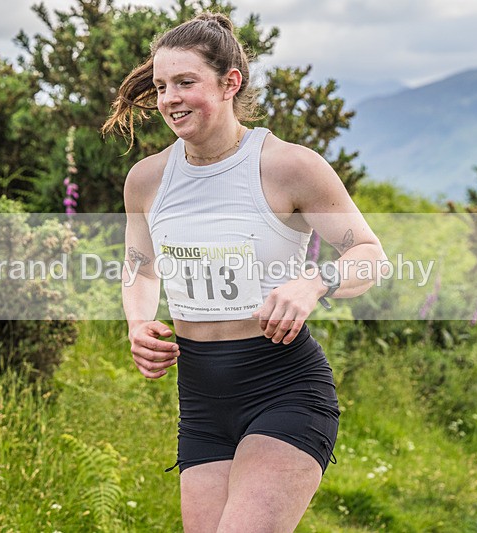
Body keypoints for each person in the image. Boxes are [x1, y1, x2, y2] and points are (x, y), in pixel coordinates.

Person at [102, 12, 386, 532]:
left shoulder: (288, 167)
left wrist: (313, 282)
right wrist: (138, 323)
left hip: (285, 387)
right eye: (162, 86)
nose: (169, 99)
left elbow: (370, 255)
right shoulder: (146, 180)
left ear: (230, 82)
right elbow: (140, 269)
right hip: (202, 400)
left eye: (186, 83)